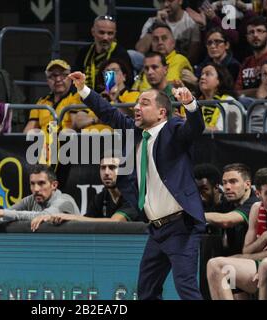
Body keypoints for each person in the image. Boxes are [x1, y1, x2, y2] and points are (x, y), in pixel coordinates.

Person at [68, 70, 206, 300]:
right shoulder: (135, 133)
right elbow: (108, 113)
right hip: (156, 229)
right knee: (147, 292)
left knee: (187, 289)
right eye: (136, 103)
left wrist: (190, 104)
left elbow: (195, 128)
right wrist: (83, 89)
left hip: (181, 227)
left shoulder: (173, 129)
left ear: (162, 112)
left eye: (144, 103)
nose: (137, 108)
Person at [207, 168, 267, 300]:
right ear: (258, 193)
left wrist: (243, 257)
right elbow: (247, 248)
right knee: (224, 270)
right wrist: (266, 236)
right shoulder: (256, 208)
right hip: (261, 261)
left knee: (219, 265)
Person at [30, 155, 140, 231]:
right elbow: (85, 223)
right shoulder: (100, 198)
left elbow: (116, 222)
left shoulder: (133, 196)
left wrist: (71, 217)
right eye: (103, 168)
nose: (106, 172)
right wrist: (56, 218)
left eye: (112, 167)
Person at [0, 164, 80, 223]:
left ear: (54, 185)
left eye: (41, 183)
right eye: (32, 184)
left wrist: (1, 212)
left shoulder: (64, 201)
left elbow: (43, 216)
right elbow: (7, 215)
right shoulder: (31, 199)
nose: (36, 189)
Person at [205, 163, 259, 256]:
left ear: (247, 184)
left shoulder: (255, 203)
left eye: (233, 182)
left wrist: (194, 215)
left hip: (254, 259)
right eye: (224, 182)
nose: (227, 187)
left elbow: (226, 220)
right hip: (234, 258)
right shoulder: (229, 202)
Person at [74, 15, 133, 91]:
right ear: (93, 32)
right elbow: (75, 78)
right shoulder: (84, 52)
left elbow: (127, 84)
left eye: (110, 33)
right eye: (101, 33)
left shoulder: (120, 55)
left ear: (115, 34)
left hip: (110, 98)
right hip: (84, 97)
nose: (105, 38)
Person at [23, 59, 81, 134]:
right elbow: (29, 129)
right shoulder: (42, 102)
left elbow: (77, 125)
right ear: (47, 80)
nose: (58, 79)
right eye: (53, 76)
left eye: (63, 75)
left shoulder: (77, 97)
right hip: (43, 144)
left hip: (66, 144)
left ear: (70, 78)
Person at [135, 0, 201, 64]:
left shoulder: (191, 22)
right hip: (154, 64)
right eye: (163, 1)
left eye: (170, 0)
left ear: (180, 1)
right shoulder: (152, 22)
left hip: (180, 64)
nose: (166, 4)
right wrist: (155, 26)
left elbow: (193, 57)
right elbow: (140, 50)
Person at [133, 23, 194, 92]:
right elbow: (134, 89)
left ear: (173, 42)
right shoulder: (148, 62)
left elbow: (171, 84)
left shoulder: (179, 59)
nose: (160, 42)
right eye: (156, 39)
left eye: (164, 38)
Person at [235, 16, 267, 97]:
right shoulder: (246, 62)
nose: (255, 35)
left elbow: (266, 91)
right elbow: (236, 92)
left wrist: (244, 93)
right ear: (247, 37)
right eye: (251, 32)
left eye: (259, 31)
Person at [198, 62, 243, 132]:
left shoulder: (230, 102)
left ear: (219, 80)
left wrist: (193, 128)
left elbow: (225, 132)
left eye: (208, 74)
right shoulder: (196, 102)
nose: (202, 77)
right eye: (202, 74)